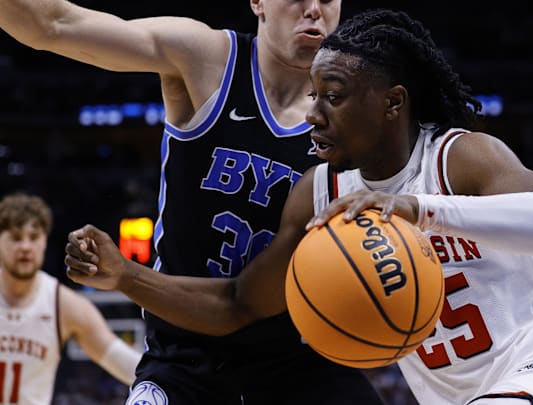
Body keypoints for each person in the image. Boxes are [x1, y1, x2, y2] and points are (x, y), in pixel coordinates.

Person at [64, 8, 533, 405]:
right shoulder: (319, 194)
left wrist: (420, 211)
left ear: (391, 103)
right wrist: (126, 275)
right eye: (315, 96)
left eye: (334, 98)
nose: (313, 113)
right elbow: (238, 303)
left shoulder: (459, 157)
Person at [0, 0, 388, 403]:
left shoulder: (356, 118)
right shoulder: (206, 59)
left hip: (299, 365)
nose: (313, 10)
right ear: (258, 2)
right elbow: (53, 24)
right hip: (185, 359)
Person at [0, 192, 140, 405]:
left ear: (45, 242)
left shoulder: (63, 304)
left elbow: (127, 365)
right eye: (16, 238)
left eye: (34, 237)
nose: (26, 246)